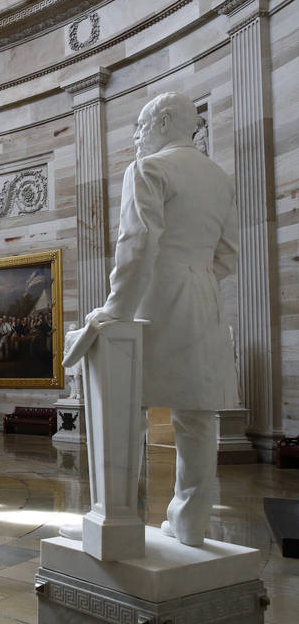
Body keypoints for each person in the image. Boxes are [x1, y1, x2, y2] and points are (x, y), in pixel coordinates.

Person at [84, 92, 238, 547]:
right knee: (197, 414)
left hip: (153, 302)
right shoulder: (218, 178)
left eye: (139, 127)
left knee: (127, 405)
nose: (135, 138)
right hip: (204, 298)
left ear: (165, 121)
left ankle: (120, 519)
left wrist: (115, 308)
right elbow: (227, 255)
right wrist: (197, 277)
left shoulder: (150, 169)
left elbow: (136, 245)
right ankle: (190, 523)